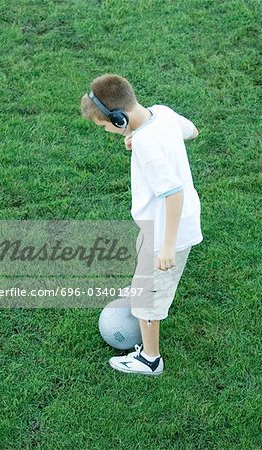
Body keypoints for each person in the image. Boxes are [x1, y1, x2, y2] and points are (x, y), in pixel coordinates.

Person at [80, 74, 203, 376]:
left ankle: (150, 359)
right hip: (164, 224)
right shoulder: (161, 113)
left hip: (165, 230)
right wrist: (145, 136)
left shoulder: (147, 145)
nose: (107, 130)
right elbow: (192, 131)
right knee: (144, 282)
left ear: (119, 119)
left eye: (105, 125)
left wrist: (168, 245)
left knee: (150, 297)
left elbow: (173, 194)